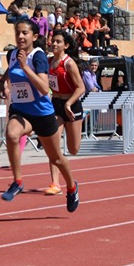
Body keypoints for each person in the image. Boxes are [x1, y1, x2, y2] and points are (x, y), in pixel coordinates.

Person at [0, 19, 79, 212]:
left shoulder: (38, 57)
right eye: (18, 33)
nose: (20, 36)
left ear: (34, 37)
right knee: (11, 134)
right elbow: (11, 68)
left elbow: (43, 88)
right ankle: (17, 181)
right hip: (21, 109)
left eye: (25, 33)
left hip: (42, 113)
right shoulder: (13, 54)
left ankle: (72, 187)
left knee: (56, 158)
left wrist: (25, 67)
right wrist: (2, 82)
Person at [44, 31, 85, 195]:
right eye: (53, 41)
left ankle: (68, 176)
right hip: (55, 105)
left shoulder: (69, 64)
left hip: (72, 105)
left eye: (58, 42)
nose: (54, 44)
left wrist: (69, 103)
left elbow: (81, 87)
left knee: (73, 149)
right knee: (52, 144)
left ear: (65, 46)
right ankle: (55, 183)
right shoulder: (47, 62)